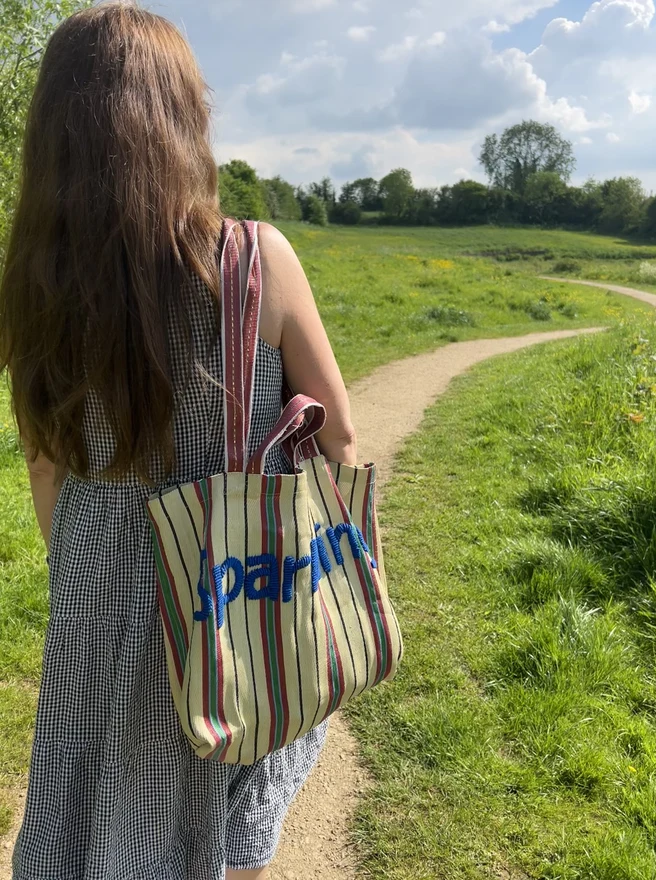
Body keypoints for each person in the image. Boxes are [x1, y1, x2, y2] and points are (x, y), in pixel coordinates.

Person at [0, 3, 357, 878]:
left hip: (91, 575)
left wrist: (87, 564)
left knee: (94, 800)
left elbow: (45, 457)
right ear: (181, 117)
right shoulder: (252, 260)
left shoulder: (30, 278)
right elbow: (338, 434)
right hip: (229, 583)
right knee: (223, 791)